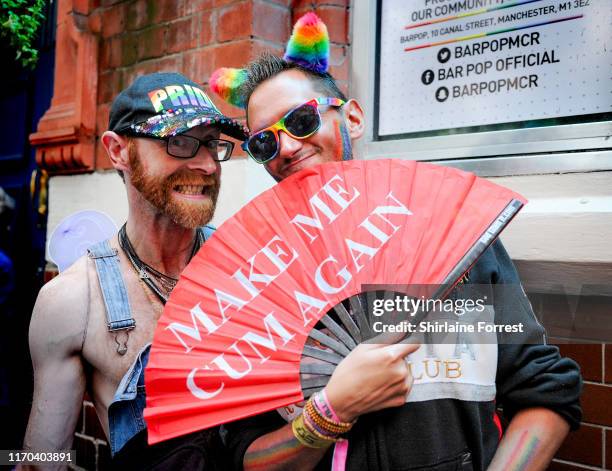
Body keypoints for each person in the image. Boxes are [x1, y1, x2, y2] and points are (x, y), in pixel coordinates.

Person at [209, 13, 582, 471]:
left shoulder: (452, 235)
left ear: (354, 118)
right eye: (264, 143)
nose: (285, 148)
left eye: (301, 120)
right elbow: (246, 456)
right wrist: (330, 413)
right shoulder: (259, 280)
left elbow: (545, 392)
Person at [23, 72, 248, 469]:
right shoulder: (75, 300)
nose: (208, 164)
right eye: (179, 142)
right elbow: (42, 459)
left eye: (213, 143)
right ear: (118, 151)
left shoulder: (248, 265)